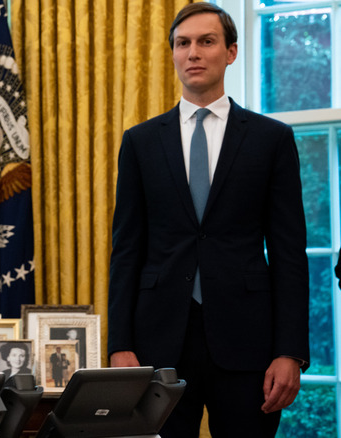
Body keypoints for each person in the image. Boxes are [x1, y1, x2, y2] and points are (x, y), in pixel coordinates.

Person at [107, 3, 309, 437]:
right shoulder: (140, 142)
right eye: (183, 43)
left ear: (231, 52)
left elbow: (290, 253)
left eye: (206, 41)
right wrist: (119, 345)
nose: (193, 52)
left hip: (250, 345)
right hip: (156, 345)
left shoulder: (271, 139)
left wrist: (290, 351)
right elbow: (126, 249)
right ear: (174, 54)